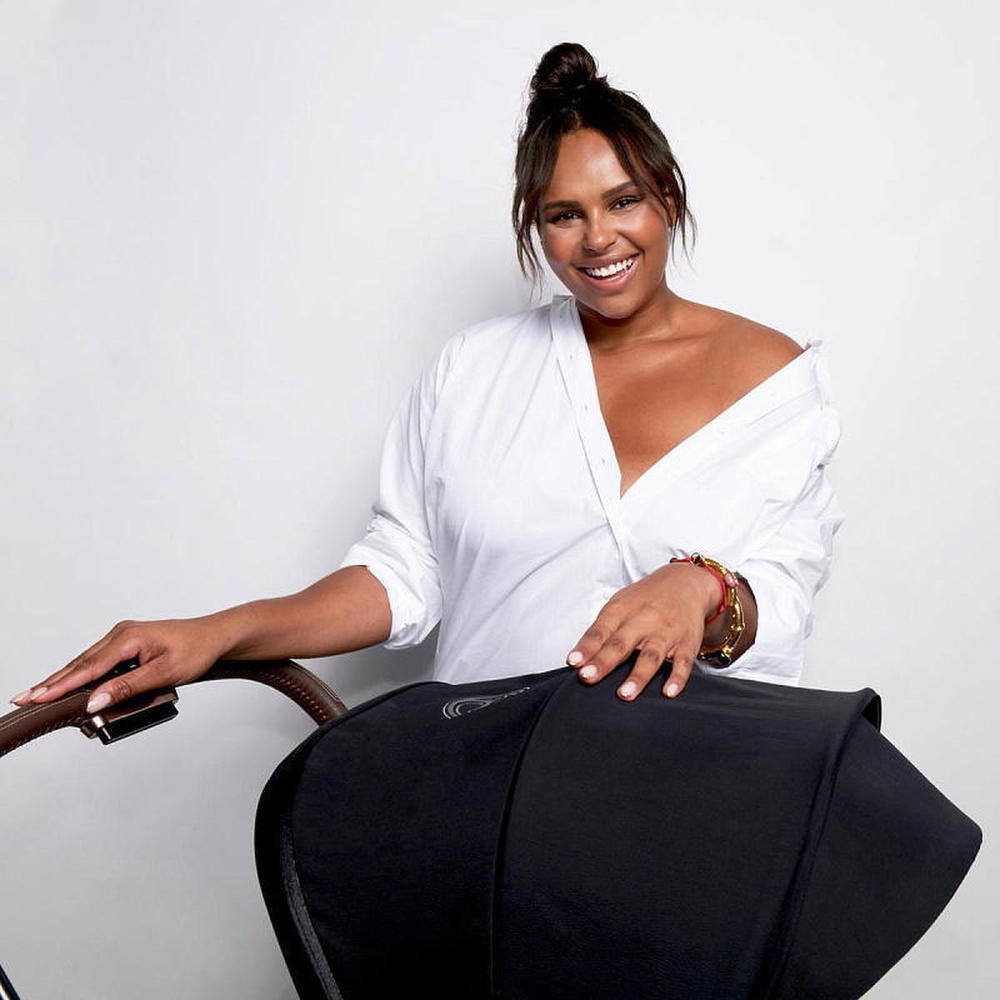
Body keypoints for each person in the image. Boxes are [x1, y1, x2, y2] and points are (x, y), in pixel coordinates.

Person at [9, 41, 843, 715]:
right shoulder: (475, 371)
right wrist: (220, 632)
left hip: (694, 798)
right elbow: (406, 572)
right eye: (565, 215)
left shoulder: (774, 382)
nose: (598, 239)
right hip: (486, 784)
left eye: (622, 202)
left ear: (666, 196)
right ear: (536, 227)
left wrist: (699, 586)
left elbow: (784, 598)